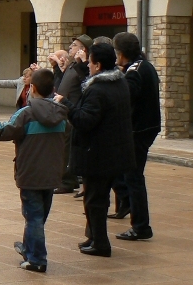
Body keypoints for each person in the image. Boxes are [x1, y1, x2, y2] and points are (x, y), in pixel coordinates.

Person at [0, 69, 68, 272]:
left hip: (30, 172)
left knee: (34, 216)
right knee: (40, 215)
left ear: (32, 89)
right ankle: (30, 248)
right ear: (53, 89)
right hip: (52, 172)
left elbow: (3, 132)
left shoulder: (26, 113)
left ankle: (37, 259)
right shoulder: (61, 114)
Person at [57, 42, 135, 257]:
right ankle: (93, 237)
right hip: (112, 151)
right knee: (96, 198)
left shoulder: (99, 90)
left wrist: (67, 104)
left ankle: (100, 243)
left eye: (90, 63)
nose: (88, 66)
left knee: (95, 200)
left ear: (98, 65)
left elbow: (85, 120)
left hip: (99, 153)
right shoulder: (119, 84)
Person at [111, 31, 160, 241]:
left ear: (122, 53)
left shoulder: (134, 71)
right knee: (130, 175)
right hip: (146, 127)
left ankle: (140, 225)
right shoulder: (144, 66)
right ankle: (131, 211)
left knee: (134, 178)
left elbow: (126, 98)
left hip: (137, 130)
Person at [52, 36, 90, 195]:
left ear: (83, 50)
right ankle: (67, 179)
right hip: (64, 111)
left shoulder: (84, 66)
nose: (70, 48)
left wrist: (84, 64)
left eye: (74, 46)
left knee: (68, 149)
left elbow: (86, 84)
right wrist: (58, 68)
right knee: (64, 148)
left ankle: (68, 180)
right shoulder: (72, 65)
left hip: (73, 111)